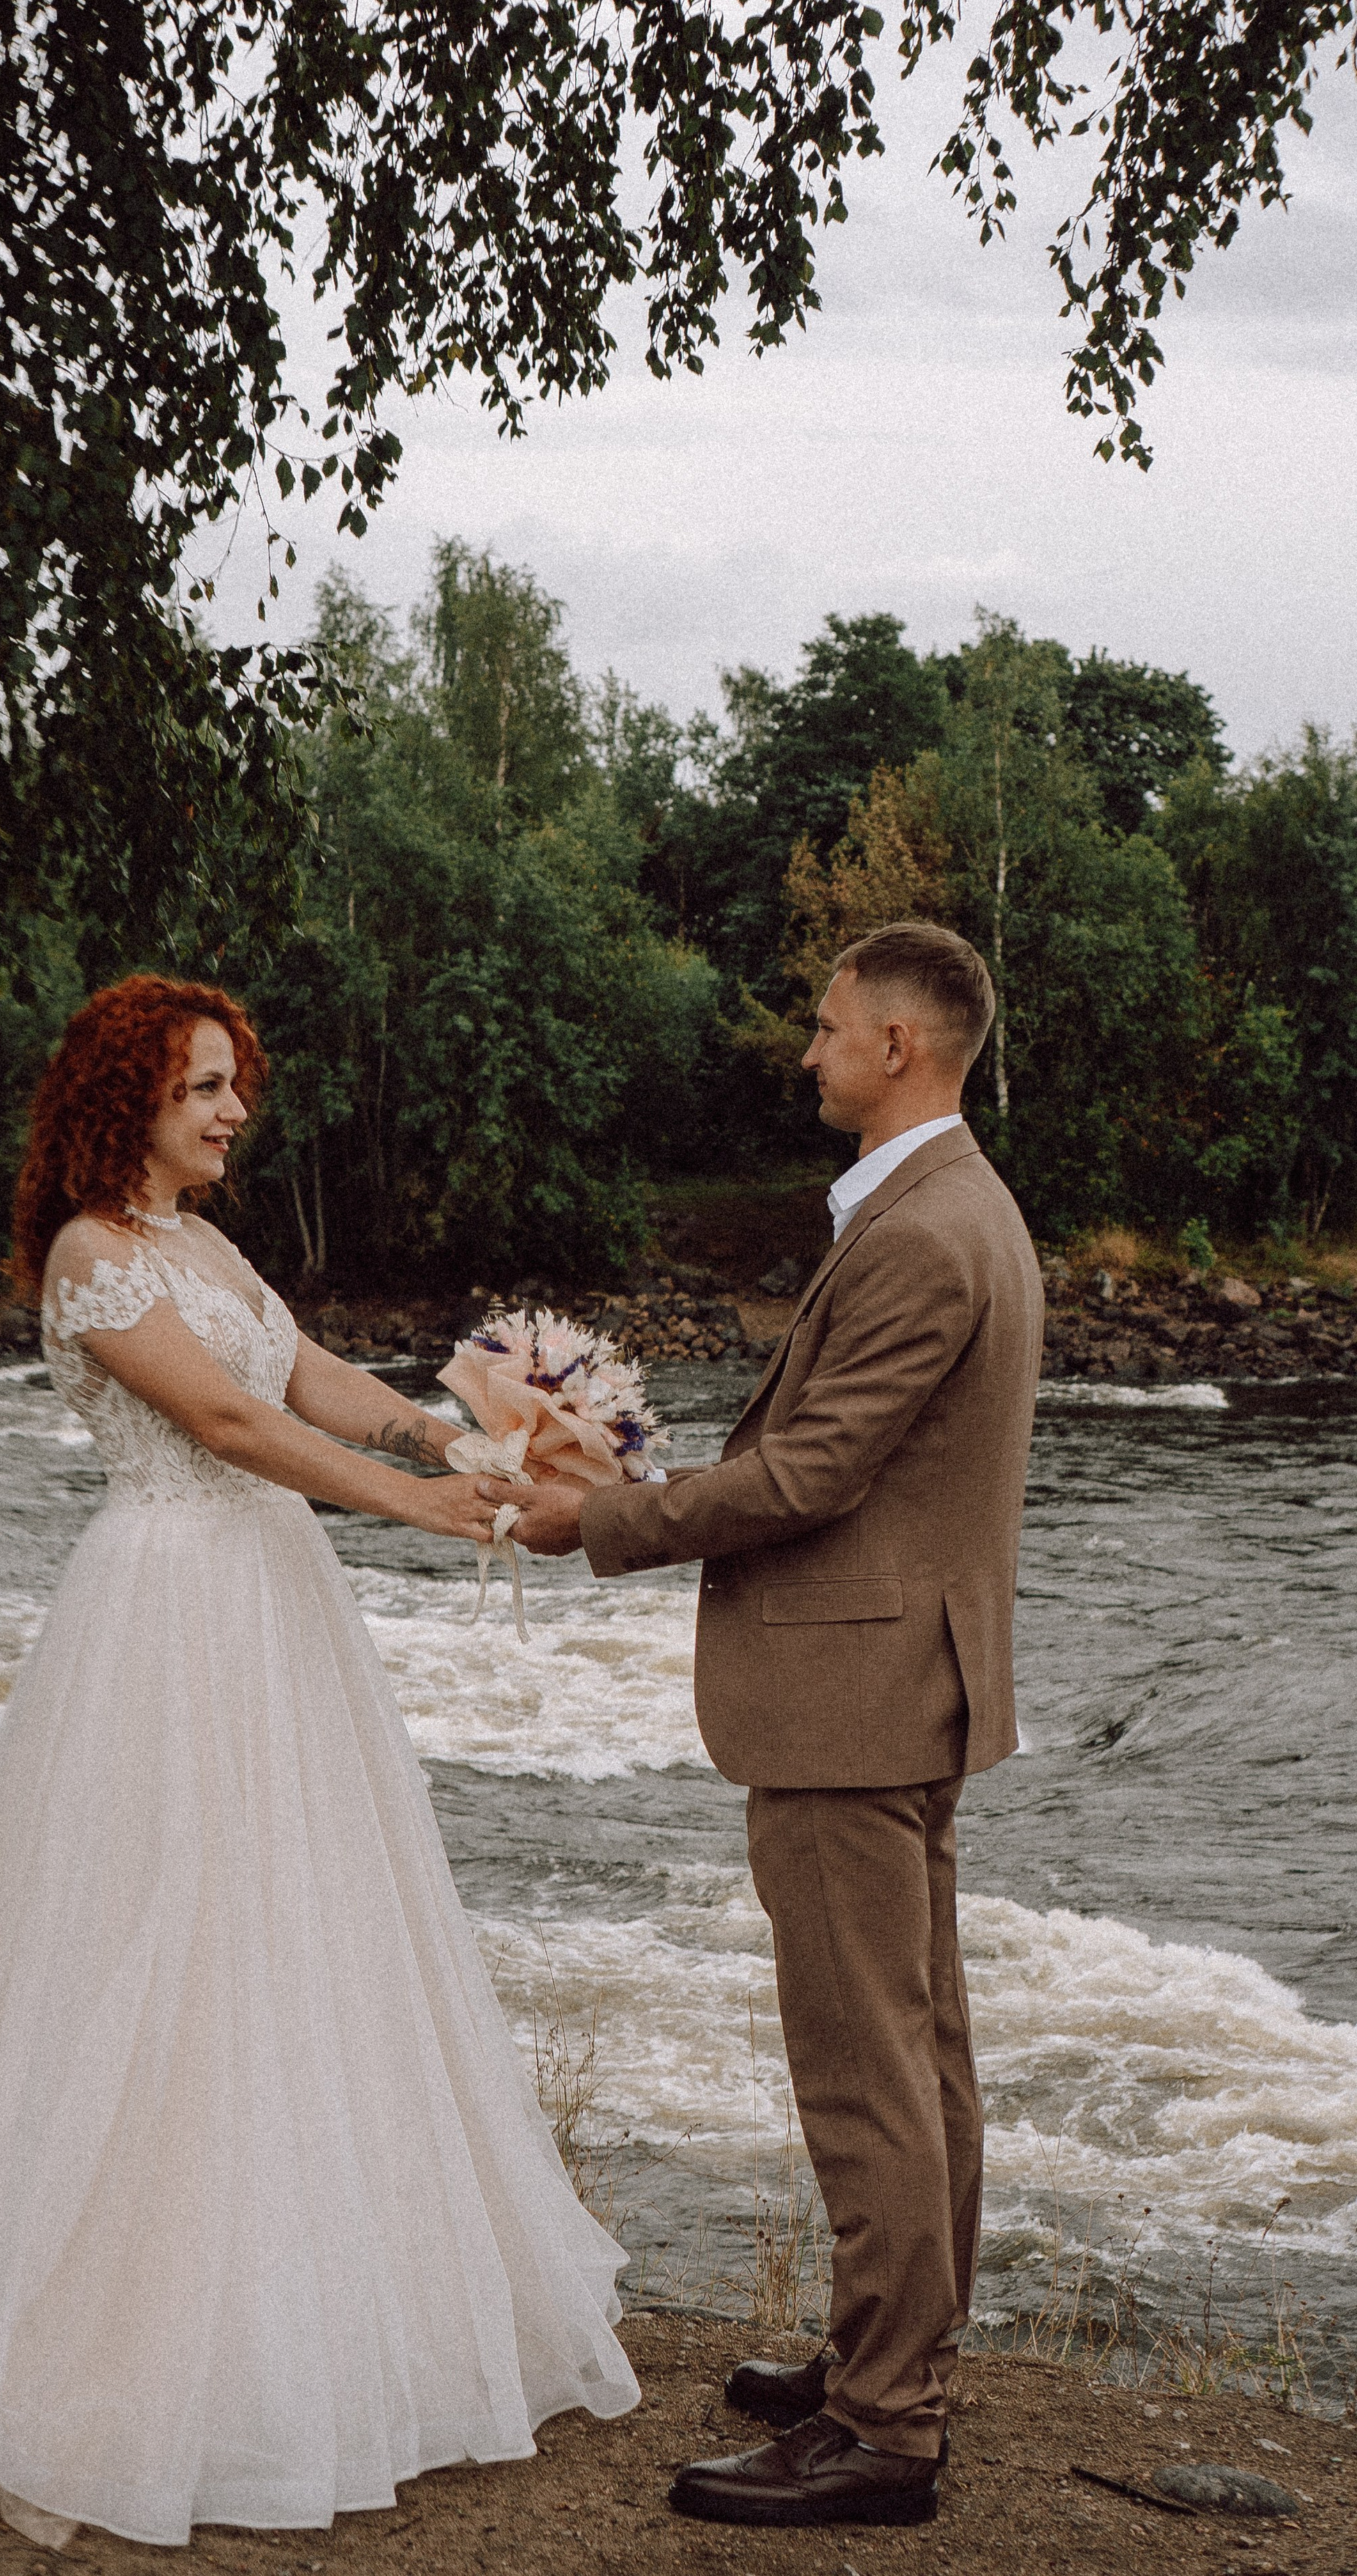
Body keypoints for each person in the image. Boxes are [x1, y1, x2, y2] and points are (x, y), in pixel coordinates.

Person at [0, 974, 637, 2550]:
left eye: (237, 1085)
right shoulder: (95, 1257)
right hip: (167, 1608)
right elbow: (225, 1424)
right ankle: (107, 2325)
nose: (235, 1110)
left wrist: (451, 1436)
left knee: (289, 1931)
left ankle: (286, 2302)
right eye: (204, 1086)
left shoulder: (210, 1244)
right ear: (126, 1098)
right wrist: (416, 1513)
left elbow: (307, 1380)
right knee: (144, 1935)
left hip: (273, 1605)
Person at [505, 923, 1042, 2531]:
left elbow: (809, 1473)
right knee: (921, 2048)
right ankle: (890, 2359)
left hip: (848, 1699)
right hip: (906, 1683)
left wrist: (599, 1517)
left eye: (822, 1028)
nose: (803, 1052)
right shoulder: (957, 1209)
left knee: (865, 2066)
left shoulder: (921, 1234)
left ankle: (885, 2429)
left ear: (897, 1045)